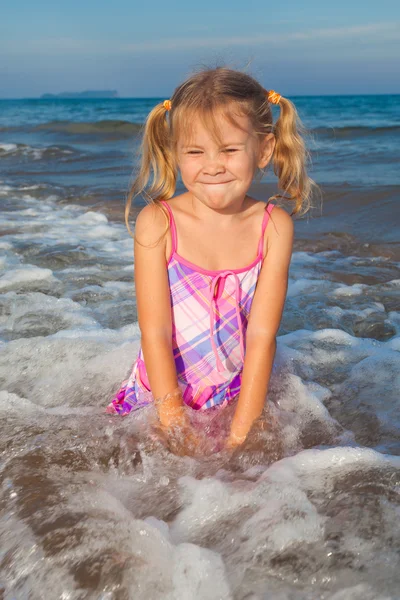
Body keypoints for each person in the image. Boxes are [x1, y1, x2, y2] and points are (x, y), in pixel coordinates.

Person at [106, 67, 316, 452]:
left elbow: (261, 336)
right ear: (175, 154)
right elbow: (155, 334)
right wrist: (174, 424)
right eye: (195, 151)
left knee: (259, 466)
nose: (213, 165)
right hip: (163, 389)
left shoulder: (274, 226)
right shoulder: (158, 222)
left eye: (230, 150)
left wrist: (242, 430)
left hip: (239, 389)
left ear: (264, 150)